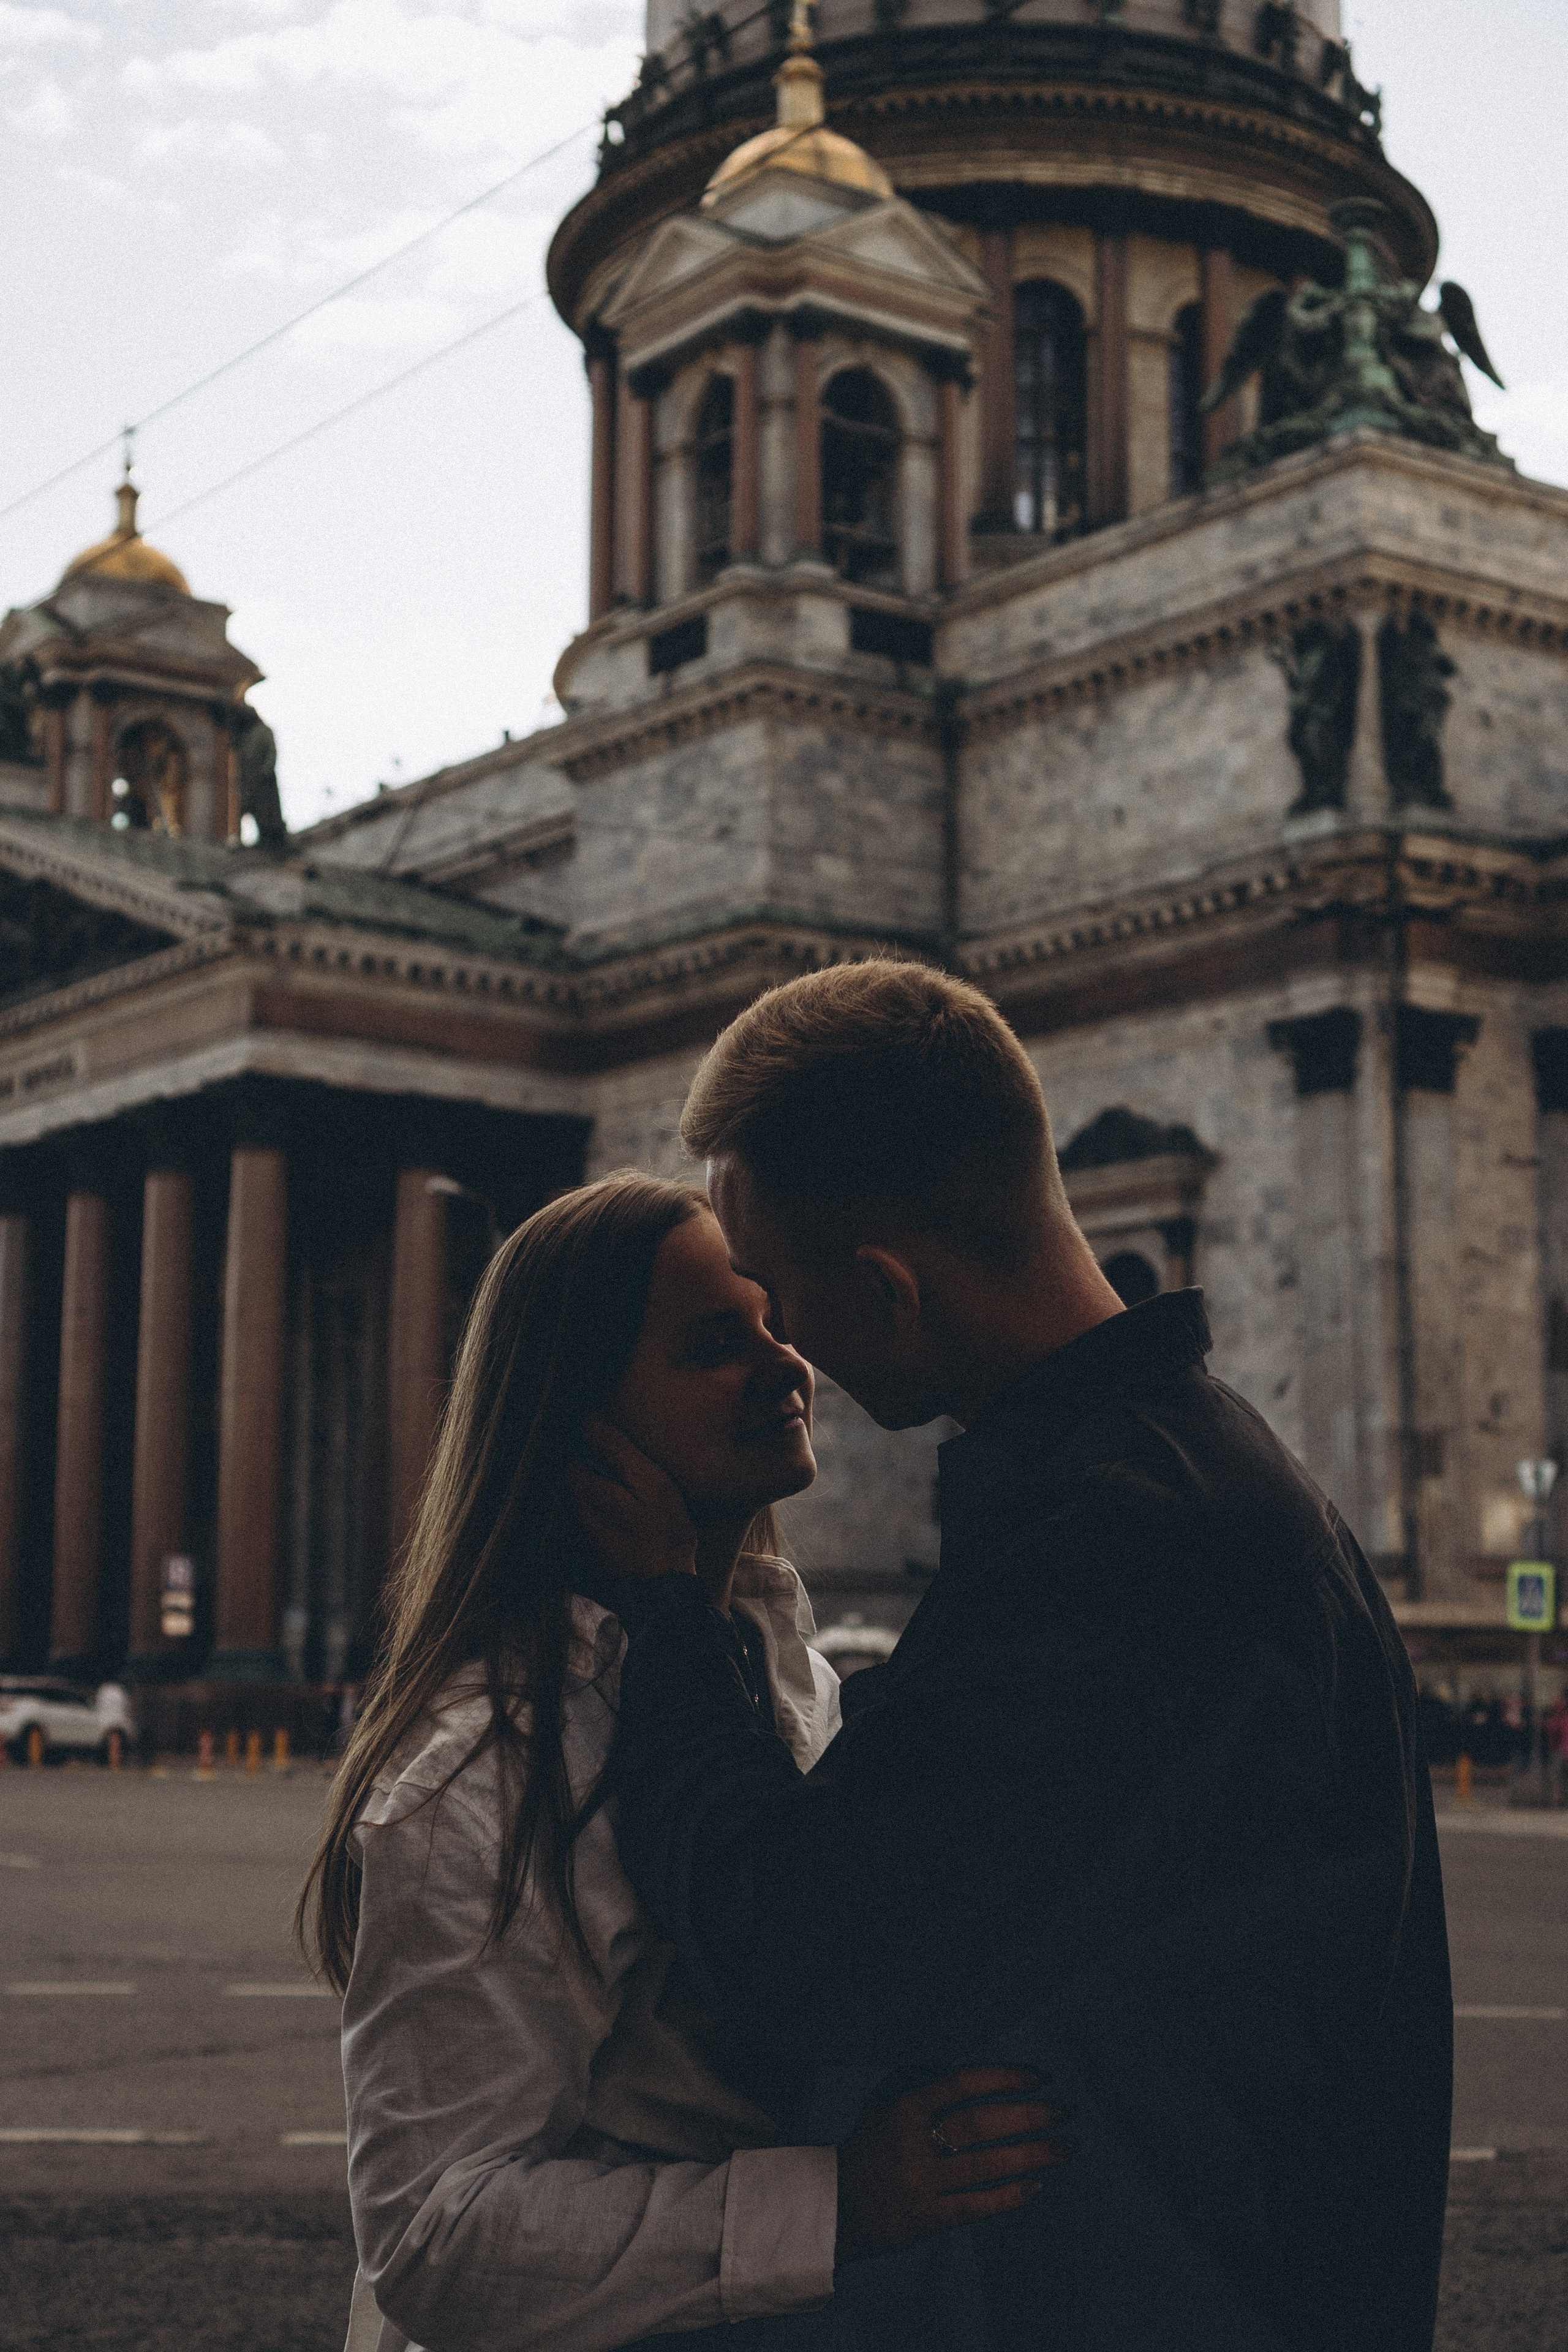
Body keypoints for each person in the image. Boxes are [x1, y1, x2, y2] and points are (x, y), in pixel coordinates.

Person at [576, 963, 1454, 2352]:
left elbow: (794, 1945)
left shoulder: (1115, 1547)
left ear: (884, 1283)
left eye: (779, 1292)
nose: (787, 1347)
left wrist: (669, 1613)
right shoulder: (1195, 1478)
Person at [297, 1171, 1071, 2352]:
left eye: (772, 1319)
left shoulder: (775, 1668)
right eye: (718, 1343)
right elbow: (432, 2238)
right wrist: (838, 2203)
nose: (787, 1363)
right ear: (578, 1423)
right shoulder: (481, 1769)